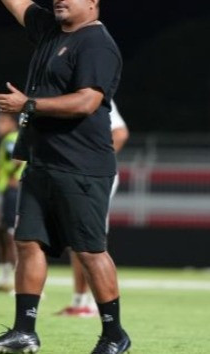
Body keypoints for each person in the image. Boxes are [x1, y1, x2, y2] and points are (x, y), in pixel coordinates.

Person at [0, 0, 131, 354]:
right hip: (42, 161)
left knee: (90, 252)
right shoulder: (52, 33)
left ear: (92, 1)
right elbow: (18, 0)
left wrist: (29, 104)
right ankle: (25, 331)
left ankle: (114, 335)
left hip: (82, 166)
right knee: (27, 242)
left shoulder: (97, 43)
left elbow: (88, 101)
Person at [57, 101, 129, 317]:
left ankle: (95, 304)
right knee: (77, 239)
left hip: (92, 175)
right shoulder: (69, 95)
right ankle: (80, 301)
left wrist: (94, 161)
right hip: (75, 174)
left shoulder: (93, 95)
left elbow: (120, 133)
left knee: (90, 240)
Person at [0, 111, 25, 293]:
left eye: (2, 121)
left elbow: (17, 159)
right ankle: (5, 278)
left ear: (12, 123)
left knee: (12, 235)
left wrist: (12, 175)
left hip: (13, 191)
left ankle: (18, 281)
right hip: (9, 191)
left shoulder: (11, 139)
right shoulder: (11, 138)